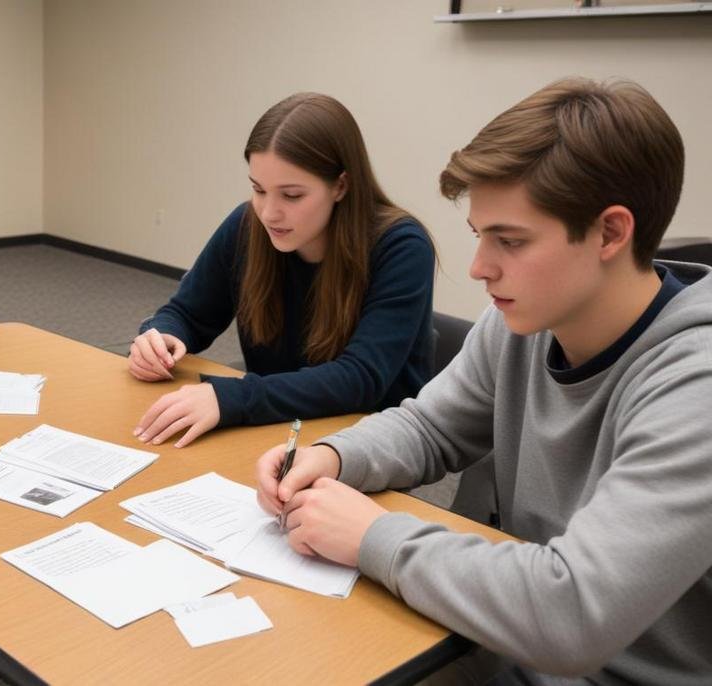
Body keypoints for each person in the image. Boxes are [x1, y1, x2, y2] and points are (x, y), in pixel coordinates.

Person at [256, 78, 711, 683]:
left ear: (610, 233)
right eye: (479, 235)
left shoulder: (695, 386)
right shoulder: (524, 322)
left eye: (511, 240)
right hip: (509, 646)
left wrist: (373, 536)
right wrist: (334, 455)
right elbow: (429, 427)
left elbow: (572, 613)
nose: (478, 268)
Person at [130, 92, 435, 448]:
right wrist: (161, 337)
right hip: (273, 429)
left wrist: (231, 398)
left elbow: (359, 379)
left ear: (341, 185)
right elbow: (186, 313)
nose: (269, 212)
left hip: (364, 445)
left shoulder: (401, 247)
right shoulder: (247, 226)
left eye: (291, 196)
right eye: (258, 190)